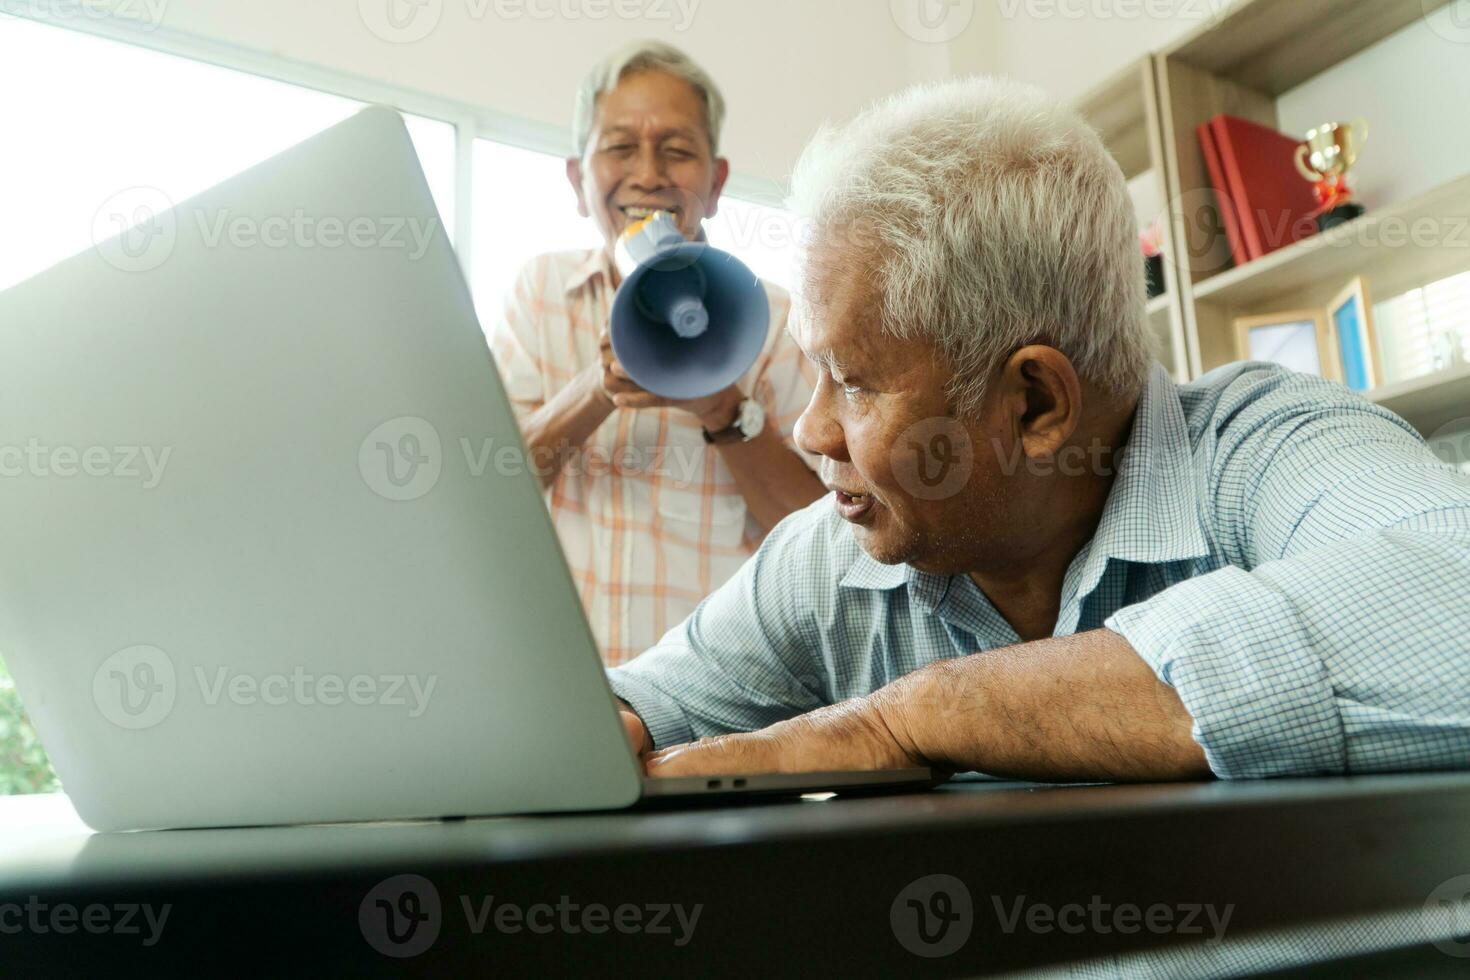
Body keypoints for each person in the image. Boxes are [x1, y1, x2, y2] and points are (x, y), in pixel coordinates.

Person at [609, 77, 1470, 782]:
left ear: (1035, 405)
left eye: (857, 385)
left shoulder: (1267, 447)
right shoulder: (827, 560)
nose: (810, 430)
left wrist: (919, 717)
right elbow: (624, 715)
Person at [490, 41, 823, 665]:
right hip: (571, 679)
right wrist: (601, 385)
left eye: (677, 150)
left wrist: (726, 409)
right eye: (620, 147)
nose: (648, 174)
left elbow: (824, 534)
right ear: (577, 180)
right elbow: (494, 486)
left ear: (716, 182)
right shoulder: (539, 293)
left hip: (726, 695)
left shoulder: (778, 319)